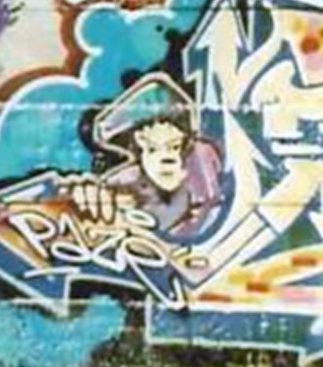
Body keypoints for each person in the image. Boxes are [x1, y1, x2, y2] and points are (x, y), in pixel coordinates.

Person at [68, 73, 225, 242]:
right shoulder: (124, 184)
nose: (167, 159)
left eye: (174, 147)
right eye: (153, 149)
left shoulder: (203, 170)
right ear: (137, 152)